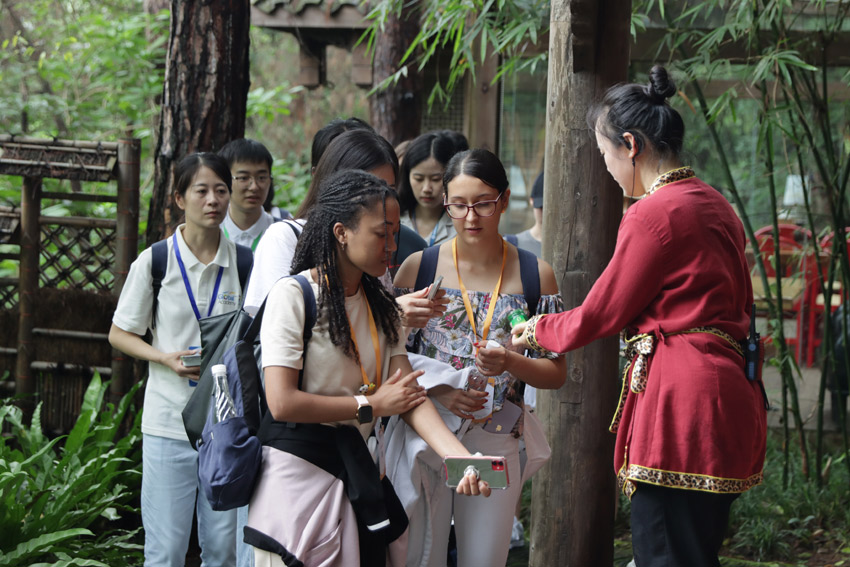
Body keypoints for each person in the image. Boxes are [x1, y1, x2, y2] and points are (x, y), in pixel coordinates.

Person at [511, 65, 768, 567]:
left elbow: (603, 311)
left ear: (630, 144)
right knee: (694, 550)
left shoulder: (653, 212)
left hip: (681, 401)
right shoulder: (716, 205)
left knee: (663, 553)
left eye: (605, 154)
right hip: (727, 393)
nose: (606, 167)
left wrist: (535, 329)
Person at [244, 169, 490, 567]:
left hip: (357, 471)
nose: (392, 245)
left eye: (395, 232)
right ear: (342, 232)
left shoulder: (381, 304)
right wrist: (371, 404)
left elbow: (406, 396)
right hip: (296, 481)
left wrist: (459, 458)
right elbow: (282, 402)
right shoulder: (294, 294)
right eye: (381, 233)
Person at [392, 148, 567, 567]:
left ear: (504, 200)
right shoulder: (418, 268)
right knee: (418, 558)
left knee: (484, 560)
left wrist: (510, 363)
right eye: (459, 205)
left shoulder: (533, 275)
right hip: (427, 435)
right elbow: (387, 361)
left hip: (496, 438)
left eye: (483, 203)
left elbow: (556, 372)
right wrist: (440, 390)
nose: (471, 217)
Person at [109, 153, 241, 566]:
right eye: (201, 190)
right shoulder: (156, 260)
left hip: (226, 426)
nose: (213, 200)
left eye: (221, 190)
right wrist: (164, 358)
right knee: (165, 550)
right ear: (179, 199)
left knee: (223, 551)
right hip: (168, 421)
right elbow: (119, 333)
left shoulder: (246, 262)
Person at [397, 130, 468, 246]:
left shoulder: (464, 222)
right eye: (418, 179)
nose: (426, 189)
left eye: (435, 179)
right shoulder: (395, 220)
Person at [218, 139, 280, 251]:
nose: (254, 187)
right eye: (243, 178)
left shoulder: (281, 234)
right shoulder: (212, 232)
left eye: (261, 178)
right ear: (225, 180)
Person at [507, 170, 543, 258]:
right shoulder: (510, 245)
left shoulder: (574, 247)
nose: (547, 213)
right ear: (531, 201)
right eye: (541, 207)